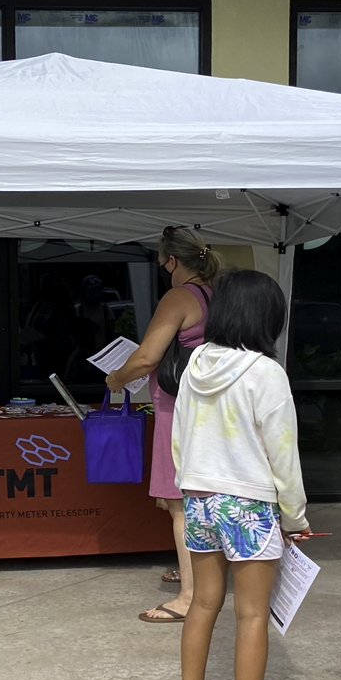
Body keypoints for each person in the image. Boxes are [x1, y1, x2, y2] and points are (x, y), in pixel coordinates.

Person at [167, 268, 307, 680]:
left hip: (199, 498)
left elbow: (179, 440)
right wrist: (297, 518)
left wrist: (192, 486)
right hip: (248, 503)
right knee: (252, 615)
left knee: (204, 603)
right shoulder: (267, 373)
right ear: (270, 317)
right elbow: (282, 455)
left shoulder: (196, 362)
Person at [102, 226, 217, 624]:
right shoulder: (217, 294)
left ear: (171, 261)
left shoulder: (179, 296)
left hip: (178, 407)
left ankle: (188, 596)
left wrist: (116, 378)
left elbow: (147, 357)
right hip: (212, 406)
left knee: (178, 501)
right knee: (202, 495)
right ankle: (198, 574)